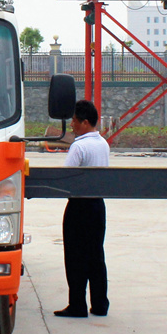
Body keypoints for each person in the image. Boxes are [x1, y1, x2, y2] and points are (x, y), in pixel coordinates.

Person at [54, 99, 110, 318]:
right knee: (96, 255)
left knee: (75, 256)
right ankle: (100, 304)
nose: (72, 125)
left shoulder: (79, 146)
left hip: (79, 206)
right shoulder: (103, 143)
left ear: (85, 122)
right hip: (97, 204)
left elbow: (67, 176)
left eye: (75, 121)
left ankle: (77, 304)